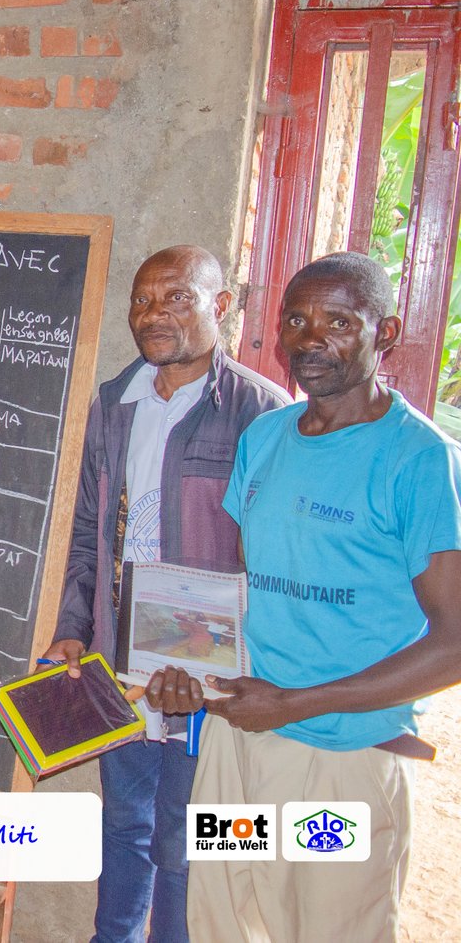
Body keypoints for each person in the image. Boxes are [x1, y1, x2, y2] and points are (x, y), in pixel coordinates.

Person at [150, 252, 461, 942]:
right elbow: (242, 591)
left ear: (387, 333)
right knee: (223, 921)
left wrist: (296, 704)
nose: (311, 338)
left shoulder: (418, 460)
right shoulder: (265, 437)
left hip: (339, 763)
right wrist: (188, 673)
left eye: (339, 321)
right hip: (239, 746)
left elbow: (454, 644)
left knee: (326, 928)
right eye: (296, 319)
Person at [45, 245, 288, 943]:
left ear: (224, 305)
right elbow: (89, 527)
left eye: (178, 298)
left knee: (190, 839)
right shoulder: (113, 405)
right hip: (123, 668)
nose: (155, 315)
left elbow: (267, 560)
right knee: (125, 823)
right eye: (144, 301)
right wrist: (73, 627)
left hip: (204, 681)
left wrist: (228, 667)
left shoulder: (260, 416)